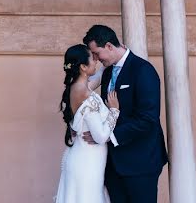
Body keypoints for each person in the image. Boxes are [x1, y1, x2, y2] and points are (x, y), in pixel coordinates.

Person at [83, 25, 168, 203]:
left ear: (109, 46)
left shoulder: (143, 70)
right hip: (113, 165)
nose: (96, 59)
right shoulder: (106, 73)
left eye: (97, 53)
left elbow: (148, 120)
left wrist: (107, 136)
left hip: (141, 162)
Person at [53, 44, 120, 203]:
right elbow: (102, 136)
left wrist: (109, 61)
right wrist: (114, 111)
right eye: (92, 58)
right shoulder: (85, 95)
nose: (96, 60)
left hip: (81, 156)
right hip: (87, 163)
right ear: (83, 67)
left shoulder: (75, 88)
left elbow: (93, 82)